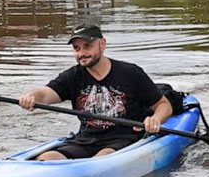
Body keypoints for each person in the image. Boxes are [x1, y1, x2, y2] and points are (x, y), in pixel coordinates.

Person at [18, 24, 172, 160]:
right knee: (46, 158)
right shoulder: (73, 76)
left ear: (102, 44)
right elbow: (45, 94)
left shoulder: (130, 73)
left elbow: (163, 105)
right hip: (85, 140)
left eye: (87, 46)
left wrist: (155, 119)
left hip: (122, 139)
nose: (82, 53)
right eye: (76, 48)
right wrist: (31, 96)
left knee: (102, 158)